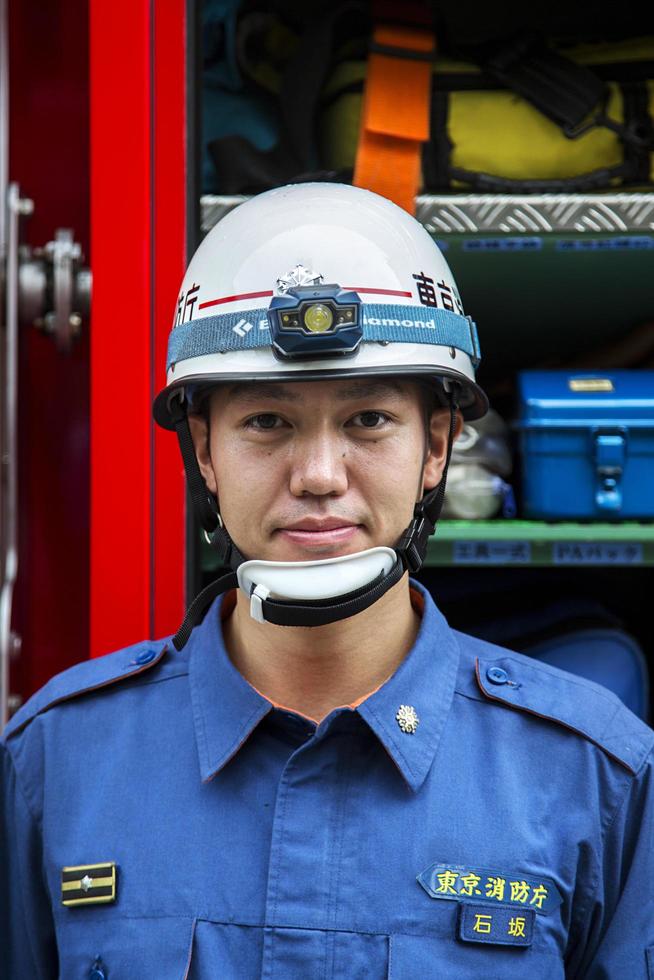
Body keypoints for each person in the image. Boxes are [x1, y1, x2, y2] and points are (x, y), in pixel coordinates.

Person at [1, 182, 653, 979]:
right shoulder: (55, 763)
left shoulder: (598, 776)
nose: (317, 475)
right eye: (267, 422)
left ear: (439, 446)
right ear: (205, 451)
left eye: (368, 420)